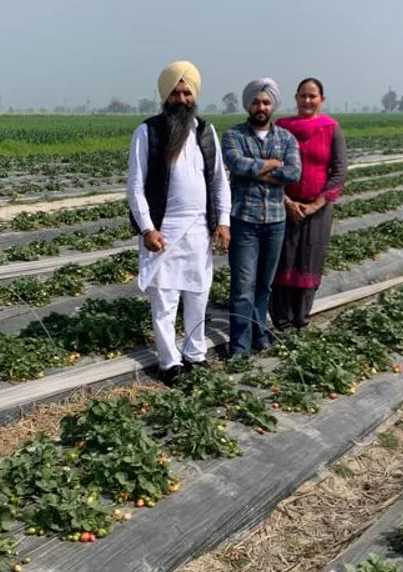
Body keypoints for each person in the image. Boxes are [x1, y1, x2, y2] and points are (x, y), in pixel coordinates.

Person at [127, 60, 232, 385]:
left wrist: (223, 221)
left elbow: (219, 180)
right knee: (165, 299)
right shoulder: (147, 132)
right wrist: (147, 228)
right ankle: (169, 362)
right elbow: (135, 186)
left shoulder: (205, 132)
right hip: (164, 230)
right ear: (165, 95)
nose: (182, 99)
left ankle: (195, 354)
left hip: (200, 230)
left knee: (198, 294)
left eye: (187, 93)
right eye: (176, 92)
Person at [222, 78, 301, 357]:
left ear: (273, 106)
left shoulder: (286, 138)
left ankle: (258, 334)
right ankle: (239, 346)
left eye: (266, 102)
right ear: (248, 105)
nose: (261, 106)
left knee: (264, 285)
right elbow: (235, 163)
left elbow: (294, 172)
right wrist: (271, 165)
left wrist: (255, 171)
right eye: (256, 101)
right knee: (243, 286)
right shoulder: (233, 135)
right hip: (244, 220)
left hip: (275, 221)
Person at [269, 77, 347, 331]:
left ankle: (301, 318)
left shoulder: (331, 128)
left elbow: (339, 171)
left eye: (312, 96)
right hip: (283, 206)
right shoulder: (282, 128)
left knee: (309, 259)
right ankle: (281, 319)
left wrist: (315, 204)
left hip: (318, 210)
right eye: (303, 95)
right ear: (296, 98)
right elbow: (271, 166)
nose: (307, 100)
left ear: (321, 100)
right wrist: (286, 200)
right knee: (282, 259)